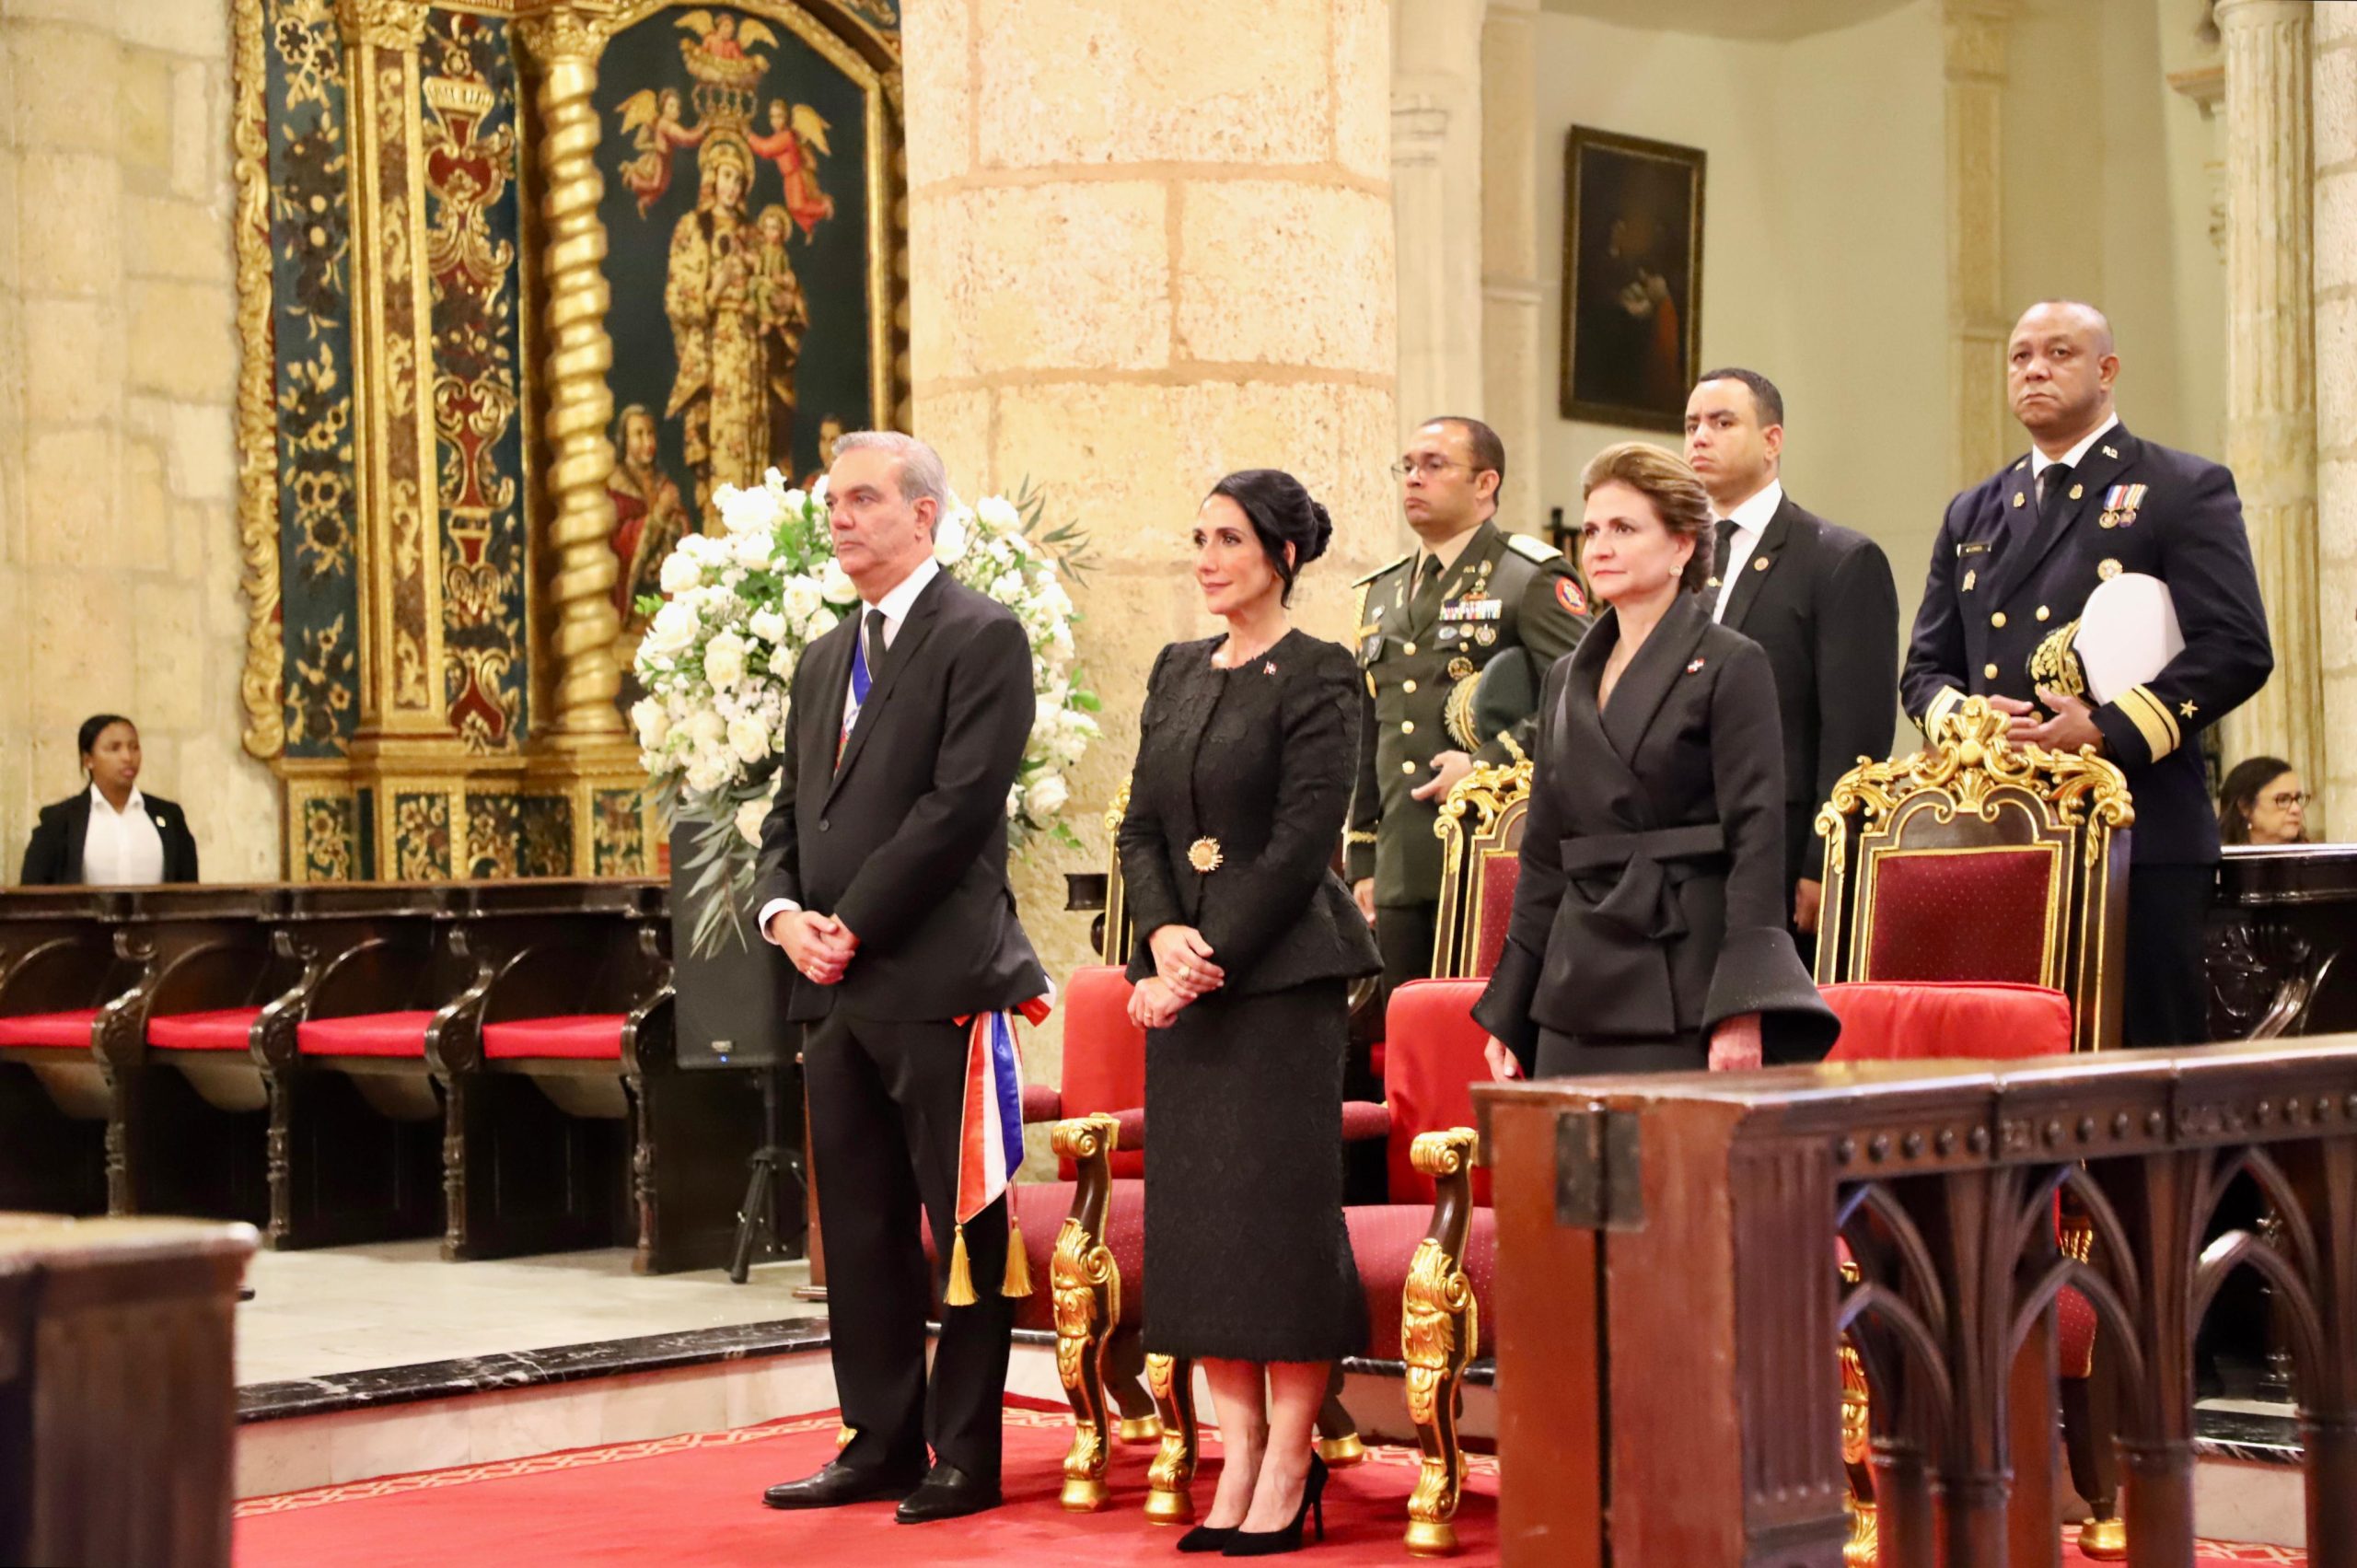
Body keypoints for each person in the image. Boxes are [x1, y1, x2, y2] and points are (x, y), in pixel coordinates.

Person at [752, 432, 1048, 1525]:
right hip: (834, 988)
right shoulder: (823, 656)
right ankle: (875, 1438)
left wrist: (853, 920)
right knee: (862, 1226)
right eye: (833, 501)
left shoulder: (980, 634)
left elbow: (957, 805)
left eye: (864, 498)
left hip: (934, 976)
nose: (840, 517)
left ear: (923, 515)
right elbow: (787, 814)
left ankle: (964, 1453)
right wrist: (784, 916)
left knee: (963, 1223)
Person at [1118, 470, 1380, 1554]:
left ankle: (1288, 1461)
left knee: (1274, 1227)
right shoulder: (1176, 668)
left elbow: (1301, 843)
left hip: (1278, 985)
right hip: (1190, 982)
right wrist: (1159, 935)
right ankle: (1234, 1456)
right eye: (1199, 537)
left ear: (1283, 554)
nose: (1207, 558)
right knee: (1204, 1234)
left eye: (1228, 538)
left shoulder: (1322, 672)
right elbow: (1139, 826)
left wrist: (1201, 958)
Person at [1901, 300, 2273, 1047]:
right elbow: (1924, 672)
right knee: (2015, 1060)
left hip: (2137, 833)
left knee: (2142, 1065)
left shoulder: (2178, 487)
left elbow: (2237, 646)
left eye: (2059, 353)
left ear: (2107, 370)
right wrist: (1969, 722)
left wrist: (2106, 729)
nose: (2034, 369)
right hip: (2004, 834)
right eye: (2020, 356)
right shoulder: (1973, 513)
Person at [1475, 443, 1837, 1081]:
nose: (1599, 547)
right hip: (1574, 981)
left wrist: (1744, 1006)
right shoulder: (1565, 676)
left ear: (1681, 547)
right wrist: (1511, 1007)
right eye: (1592, 530)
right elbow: (1543, 853)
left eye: (1624, 528)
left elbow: (1757, 842)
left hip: (1686, 976)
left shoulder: (1733, 662)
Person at [1348, 416, 1590, 1008]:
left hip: (1493, 852)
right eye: (1408, 466)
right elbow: (1373, 727)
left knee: (1478, 1033)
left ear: (1486, 483)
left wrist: (1485, 763)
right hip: (1404, 859)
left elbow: (1581, 696)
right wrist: (1363, 854)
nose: (1414, 479)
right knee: (1408, 1033)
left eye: (1434, 465)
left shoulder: (1528, 576)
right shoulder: (1382, 593)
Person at [1684, 368, 1899, 947]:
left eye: (1722, 423)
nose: (1700, 437)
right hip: (1682, 844)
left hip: (1780, 845)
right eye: (1692, 424)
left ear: (1771, 441)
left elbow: (1856, 733)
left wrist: (1825, 859)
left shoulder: (1836, 559)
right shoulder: (1676, 559)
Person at [19, 714, 199, 887]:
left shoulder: (169, 815)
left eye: (134, 747)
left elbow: (189, 891)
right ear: (88, 760)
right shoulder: (60, 820)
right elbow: (33, 893)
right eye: (114, 748)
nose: (127, 757)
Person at [2218, 757, 2306, 847]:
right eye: (2282, 800)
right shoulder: (2217, 854)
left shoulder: (2310, 854)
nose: (2296, 809)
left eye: (2298, 799)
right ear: (2245, 807)